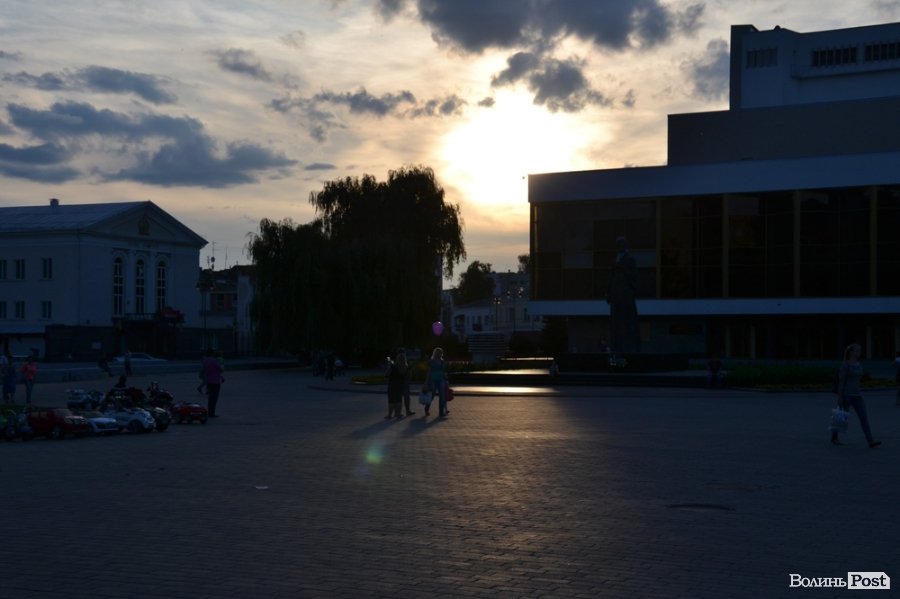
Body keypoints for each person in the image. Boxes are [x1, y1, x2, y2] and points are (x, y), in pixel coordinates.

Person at [831, 343, 881, 448]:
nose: (859, 352)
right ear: (851, 352)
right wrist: (840, 397)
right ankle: (834, 438)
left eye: (860, 350)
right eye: (857, 350)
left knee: (864, 418)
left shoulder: (858, 364)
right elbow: (841, 382)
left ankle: (870, 441)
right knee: (841, 418)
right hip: (846, 396)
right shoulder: (845, 365)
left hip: (858, 396)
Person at [607, 236, 640, 354]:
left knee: (627, 321)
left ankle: (628, 347)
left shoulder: (630, 260)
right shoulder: (615, 260)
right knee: (616, 322)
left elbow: (634, 277)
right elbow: (611, 278)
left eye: (620, 245)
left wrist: (622, 269)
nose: (619, 247)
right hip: (616, 295)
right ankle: (617, 346)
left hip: (626, 295)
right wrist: (609, 293)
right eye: (618, 245)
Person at [424, 347, 449, 417]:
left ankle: (441, 412)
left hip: (441, 380)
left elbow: (443, 371)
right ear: (435, 353)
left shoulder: (442, 361)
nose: (439, 354)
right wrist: (426, 381)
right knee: (431, 395)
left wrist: (446, 379)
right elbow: (429, 371)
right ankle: (427, 408)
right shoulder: (431, 361)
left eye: (440, 353)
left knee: (442, 396)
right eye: (438, 353)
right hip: (433, 380)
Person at [201, 349, 224, 418]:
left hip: (209, 381)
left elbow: (203, 370)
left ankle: (210, 412)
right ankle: (212, 413)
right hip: (215, 381)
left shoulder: (205, 361)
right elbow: (220, 369)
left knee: (210, 397)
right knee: (214, 398)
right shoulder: (214, 361)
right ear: (212, 353)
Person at [384, 354, 404, 419]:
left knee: (391, 400)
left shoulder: (393, 366)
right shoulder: (405, 367)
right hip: (400, 385)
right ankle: (398, 414)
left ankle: (390, 415)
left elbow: (386, 374)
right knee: (399, 399)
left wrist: (389, 366)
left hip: (392, 385)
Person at [397, 351, 415, 416]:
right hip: (404, 384)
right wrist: (409, 369)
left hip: (398, 384)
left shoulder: (396, 366)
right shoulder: (406, 367)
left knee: (399, 398)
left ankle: (398, 412)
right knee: (406, 397)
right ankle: (407, 411)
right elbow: (409, 377)